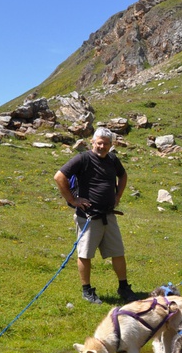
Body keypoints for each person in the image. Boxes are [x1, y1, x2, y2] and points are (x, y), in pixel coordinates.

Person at [53, 127, 134, 305]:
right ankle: (87, 290)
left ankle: (124, 288)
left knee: (118, 252)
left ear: (111, 145)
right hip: (88, 217)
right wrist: (73, 200)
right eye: (99, 143)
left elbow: (123, 175)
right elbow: (59, 177)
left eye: (106, 144)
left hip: (108, 215)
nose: (102, 146)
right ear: (93, 142)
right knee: (85, 254)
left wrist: (118, 195)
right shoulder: (83, 158)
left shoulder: (112, 159)